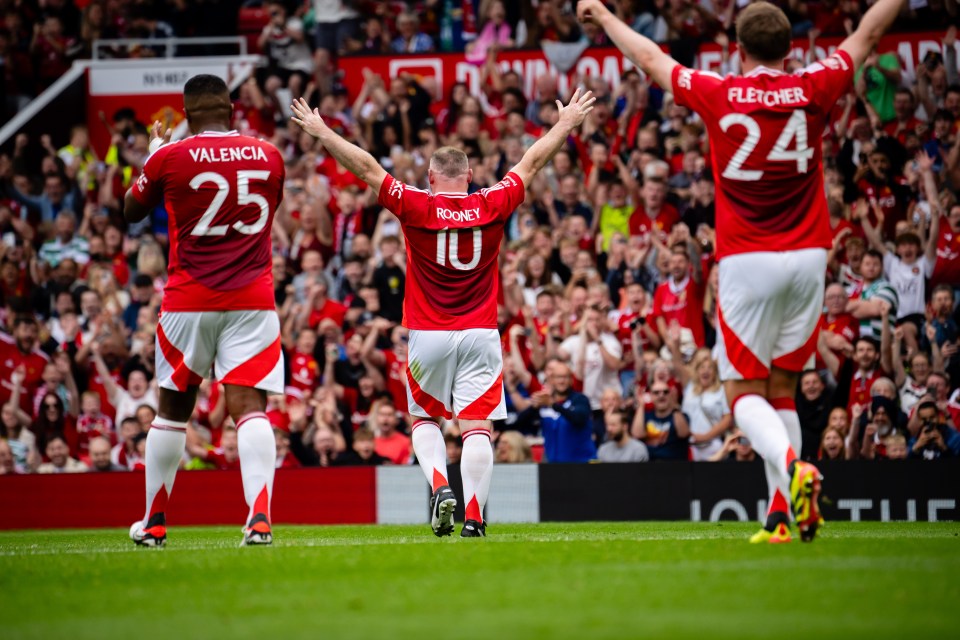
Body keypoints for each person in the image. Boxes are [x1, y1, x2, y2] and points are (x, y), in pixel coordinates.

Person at [579, 0, 905, 543]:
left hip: (747, 259)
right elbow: (869, 32)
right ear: (792, 48)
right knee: (782, 388)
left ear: (738, 48)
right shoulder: (813, 85)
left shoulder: (720, 91)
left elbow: (651, 59)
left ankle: (796, 474)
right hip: (808, 258)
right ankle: (783, 514)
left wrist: (607, 17)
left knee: (742, 393)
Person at [290, 88, 596, 538]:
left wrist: (321, 132)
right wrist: (566, 124)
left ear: (430, 176)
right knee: (478, 427)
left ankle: (439, 485)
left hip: (427, 332)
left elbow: (366, 167)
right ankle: (474, 517)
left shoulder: (418, 205)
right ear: (470, 176)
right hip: (480, 332)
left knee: (426, 419)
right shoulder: (492, 202)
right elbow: (531, 162)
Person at [123, 74, 286, 547]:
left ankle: (154, 522)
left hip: (188, 299)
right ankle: (259, 519)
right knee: (250, 410)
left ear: (187, 115)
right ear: (232, 108)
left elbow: (132, 209)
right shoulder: (270, 155)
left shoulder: (171, 156)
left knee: (172, 410)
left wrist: (156, 152)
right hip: (252, 298)